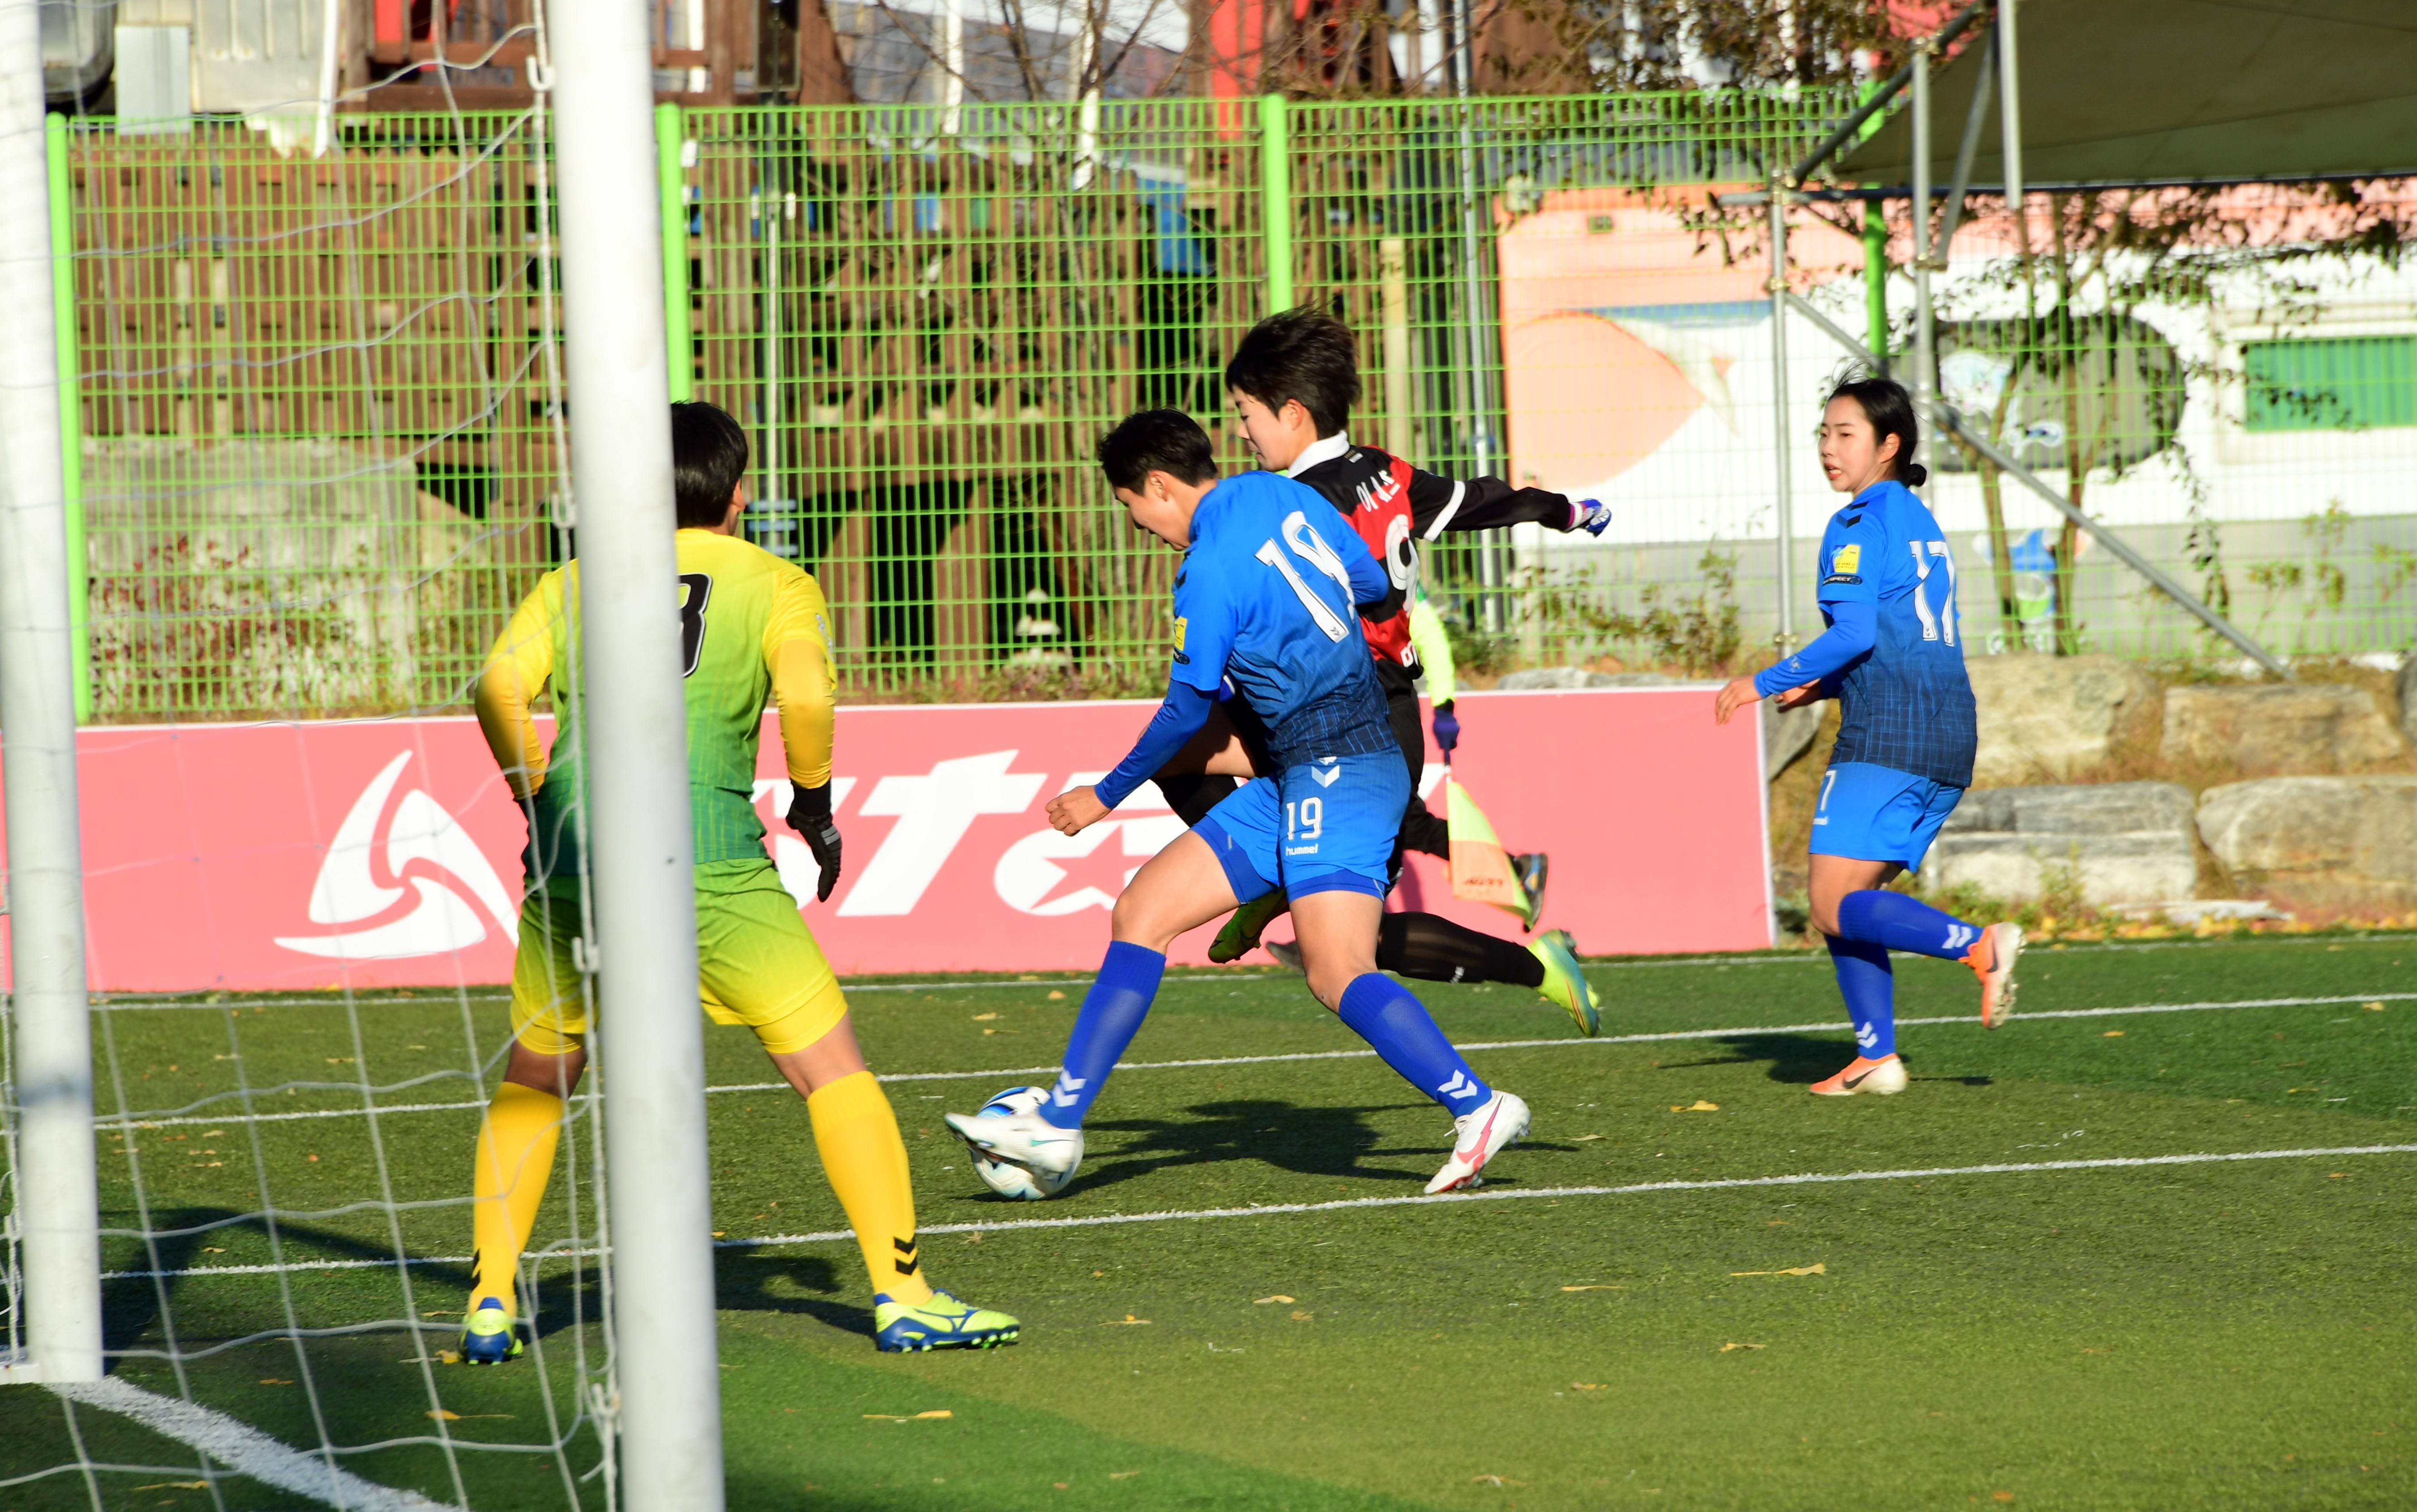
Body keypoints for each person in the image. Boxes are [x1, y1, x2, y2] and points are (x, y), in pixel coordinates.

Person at [460, 401, 1017, 1360]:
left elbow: (495, 685)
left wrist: (536, 793)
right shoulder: (776, 581)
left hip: (574, 858)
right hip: (708, 854)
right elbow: (806, 689)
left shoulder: (574, 580)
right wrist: (812, 806)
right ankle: (904, 1292)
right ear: (737, 490)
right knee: (827, 1066)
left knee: (539, 1075)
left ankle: (491, 1300)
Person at [944, 409, 1531, 1196]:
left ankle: (1479, 1107)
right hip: (1302, 770)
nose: (1140, 527)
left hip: (1338, 773)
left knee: (1337, 971)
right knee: (1142, 912)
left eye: (1131, 508)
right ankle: (1057, 1121)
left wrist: (1103, 796)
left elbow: (1185, 714)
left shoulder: (1207, 567)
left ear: (1157, 486)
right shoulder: (1281, 494)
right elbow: (1372, 585)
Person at [1172, 307, 1612, 1035]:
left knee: (1347, 943)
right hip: (1379, 707)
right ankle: (1279, 876)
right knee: (1341, 935)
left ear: (1292, 412)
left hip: (1349, 716)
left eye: (1247, 414)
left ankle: (1537, 966)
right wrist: (1563, 509)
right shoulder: (1385, 471)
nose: (1241, 432)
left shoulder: (1297, 505)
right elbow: (1479, 500)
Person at [1715, 375, 2020, 1096]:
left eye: (1845, 434)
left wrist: (1760, 681)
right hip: (1947, 727)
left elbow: (1852, 630)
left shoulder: (1856, 524)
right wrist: (1820, 684)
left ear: (1890, 445)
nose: (1828, 448)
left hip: (1889, 729)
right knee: (1848, 904)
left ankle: (1977, 947)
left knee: (1831, 906)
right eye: (1823, 433)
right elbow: (1892, 632)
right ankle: (1875, 1056)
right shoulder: (1917, 519)